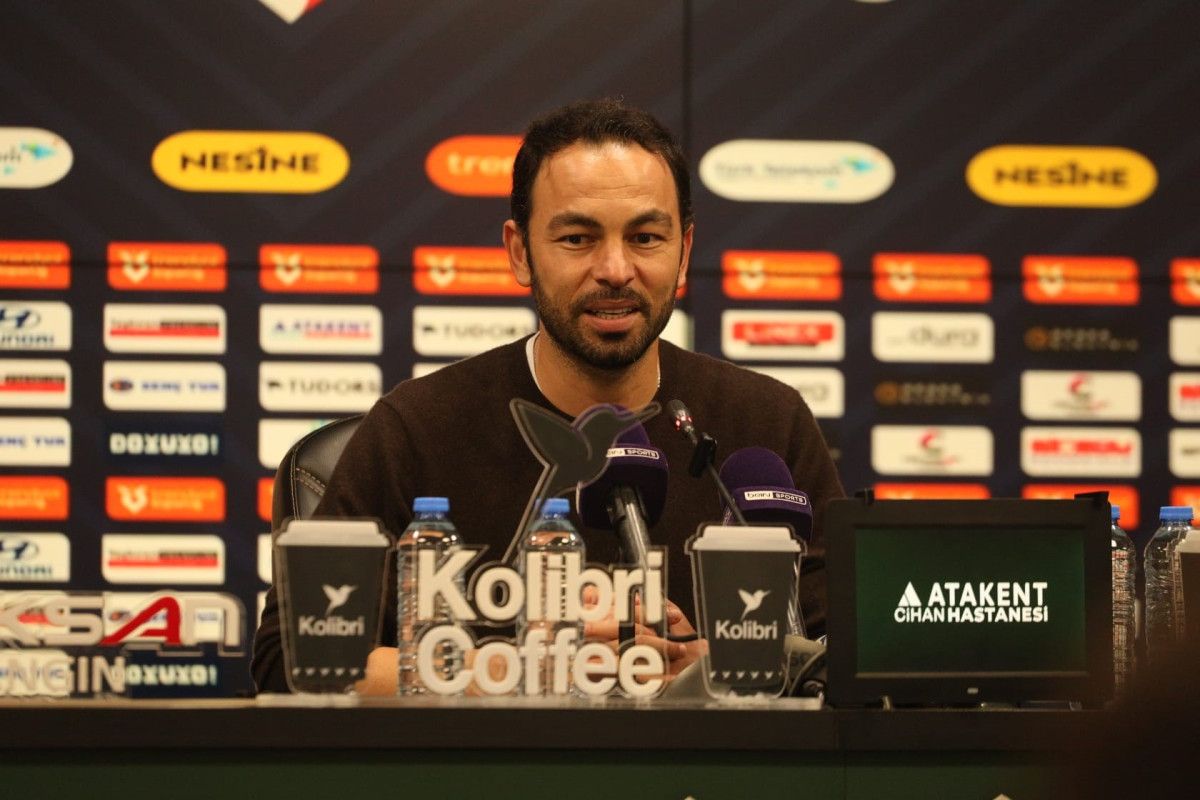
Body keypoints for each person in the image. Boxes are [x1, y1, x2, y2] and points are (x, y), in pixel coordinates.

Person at [252, 98, 844, 694]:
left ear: (684, 252)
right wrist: (518, 671)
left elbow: (854, 657)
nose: (615, 269)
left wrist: (714, 669)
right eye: (578, 238)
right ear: (519, 252)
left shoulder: (768, 423)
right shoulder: (417, 428)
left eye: (645, 237)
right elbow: (289, 663)